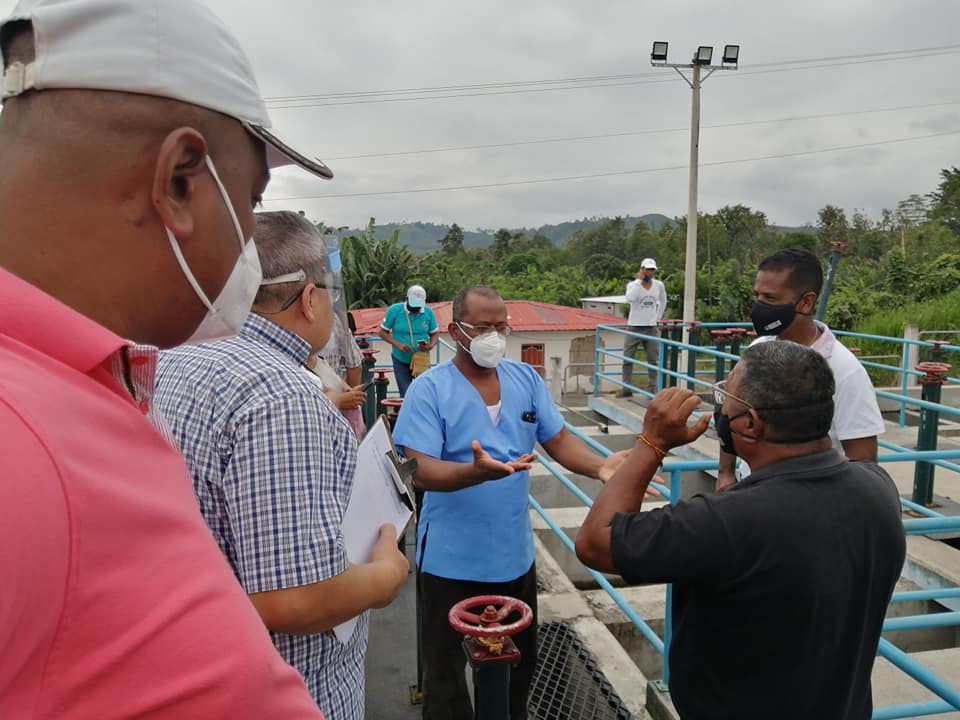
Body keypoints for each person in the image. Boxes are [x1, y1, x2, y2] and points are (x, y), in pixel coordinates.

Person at [0, 1, 335, 717]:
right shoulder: (22, 449)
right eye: (248, 200)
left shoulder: (83, 388)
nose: (248, 243)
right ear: (180, 179)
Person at [154, 211, 409, 719]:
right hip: (291, 689)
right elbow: (294, 600)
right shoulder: (280, 396)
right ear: (310, 298)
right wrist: (386, 575)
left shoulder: (174, 354)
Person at [576, 341, 906, 720]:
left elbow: (594, 542)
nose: (721, 408)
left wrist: (652, 442)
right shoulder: (878, 487)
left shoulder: (727, 521)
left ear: (750, 423)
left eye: (727, 397)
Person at [393, 285, 626, 720]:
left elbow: (558, 439)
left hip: (512, 559)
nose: (494, 336)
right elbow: (419, 470)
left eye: (501, 327)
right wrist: (474, 472)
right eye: (482, 327)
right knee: (446, 680)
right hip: (450, 562)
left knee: (519, 672)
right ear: (455, 332)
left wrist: (601, 467)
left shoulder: (525, 380)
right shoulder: (429, 390)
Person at [716, 248, 885, 491]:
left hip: (809, 498)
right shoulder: (758, 349)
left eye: (770, 298)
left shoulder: (845, 371)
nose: (759, 306)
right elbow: (731, 414)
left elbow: (864, 460)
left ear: (806, 302)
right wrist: (726, 473)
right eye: (757, 296)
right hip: (751, 489)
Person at [619, 257, 667, 397]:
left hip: (650, 327)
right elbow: (630, 298)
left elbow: (663, 301)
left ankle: (652, 388)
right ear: (642, 270)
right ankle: (626, 388)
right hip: (634, 326)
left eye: (652, 270)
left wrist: (657, 318)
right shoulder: (633, 285)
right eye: (647, 270)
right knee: (628, 358)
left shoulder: (658, 285)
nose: (650, 273)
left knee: (653, 359)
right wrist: (638, 282)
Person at [379, 284, 439, 396]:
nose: (416, 308)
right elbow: (382, 332)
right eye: (414, 305)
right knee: (406, 393)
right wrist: (398, 344)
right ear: (406, 299)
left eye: (418, 305)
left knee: (423, 392)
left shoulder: (428, 312)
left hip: (421, 359)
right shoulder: (394, 310)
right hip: (401, 359)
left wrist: (431, 345)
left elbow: (434, 333)